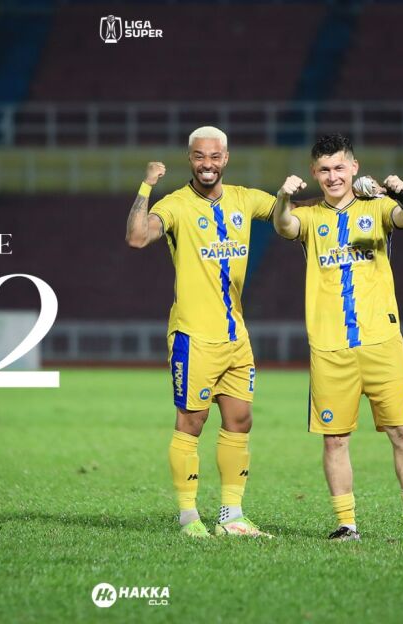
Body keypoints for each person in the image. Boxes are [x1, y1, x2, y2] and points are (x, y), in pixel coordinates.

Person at [272, 134, 403, 543]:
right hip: (330, 348)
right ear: (314, 173)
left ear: (354, 167)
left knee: (402, 432)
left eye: (340, 167)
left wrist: (401, 191)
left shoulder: (376, 207)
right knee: (335, 439)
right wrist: (283, 198)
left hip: (382, 342)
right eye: (324, 170)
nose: (333, 176)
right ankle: (347, 525)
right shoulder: (308, 216)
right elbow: (284, 225)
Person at [126, 126, 275, 538]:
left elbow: (292, 214)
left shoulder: (245, 199)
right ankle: (189, 517)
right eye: (198, 156)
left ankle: (232, 516)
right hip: (193, 336)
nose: (207, 164)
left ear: (225, 158)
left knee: (240, 420)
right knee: (192, 422)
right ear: (189, 159)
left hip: (236, 336)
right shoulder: (176, 205)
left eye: (214, 156)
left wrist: (336, 198)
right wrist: (146, 185)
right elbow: (137, 237)